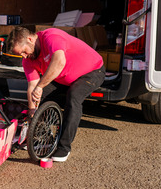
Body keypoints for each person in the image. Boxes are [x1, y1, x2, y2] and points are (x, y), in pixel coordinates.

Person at [7, 26, 105, 162]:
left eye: (24, 51)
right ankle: (44, 138)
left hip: (92, 71)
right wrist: (32, 111)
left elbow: (59, 62)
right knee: (38, 99)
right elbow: (32, 87)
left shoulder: (51, 37)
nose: (24, 56)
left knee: (73, 97)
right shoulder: (28, 60)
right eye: (21, 54)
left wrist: (41, 86)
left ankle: (64, 148)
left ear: (30, 39)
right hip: (63, 77)